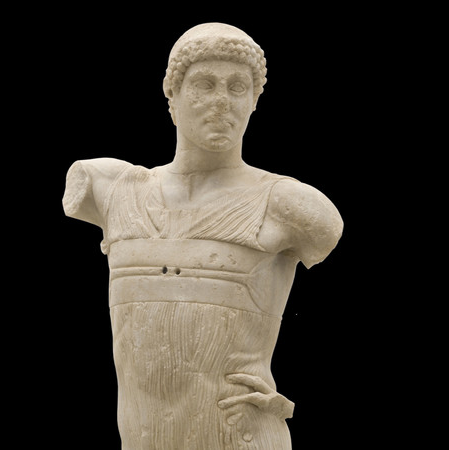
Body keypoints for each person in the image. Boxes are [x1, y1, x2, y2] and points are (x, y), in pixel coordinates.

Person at [63, 22, 343, 449]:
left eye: (237, 87)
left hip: (239, 437)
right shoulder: (111, 188)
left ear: (254, 100)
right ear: (172, 94)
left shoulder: (287, 205)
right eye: (205, 84)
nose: (221, 102)